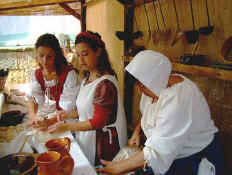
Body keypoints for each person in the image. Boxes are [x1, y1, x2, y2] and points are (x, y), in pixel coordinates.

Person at [97, 50, 225, 175]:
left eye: (142, 86)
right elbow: (150, 112)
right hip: (168, 152)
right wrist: (137, 131)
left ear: (155, 78)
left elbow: (157, 151)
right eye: (138, 85)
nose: (140, 91)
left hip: (193, 155)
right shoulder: (154, 86)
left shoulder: (178, 99)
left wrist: (118, 168)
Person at [39, 31, 128, 166]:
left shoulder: (105, 83)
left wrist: (66, 126)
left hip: (104, 144)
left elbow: (98, 121)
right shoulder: (87, 79)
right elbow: (83, 110)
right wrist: (63, 116)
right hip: (88, 137)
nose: (81, 60)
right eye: (78, 55)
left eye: (85, 54)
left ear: (98, 52)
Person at [27, 33, 80, 124]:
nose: (45, 61)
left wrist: (50, 121)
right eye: (41, 56)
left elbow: (68, 107)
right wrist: (33, 116)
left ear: (56, 55)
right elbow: (34, 98)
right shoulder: (37, 74)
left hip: (72, 117)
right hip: (58, 116)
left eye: (49, 56)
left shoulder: (69, 74)